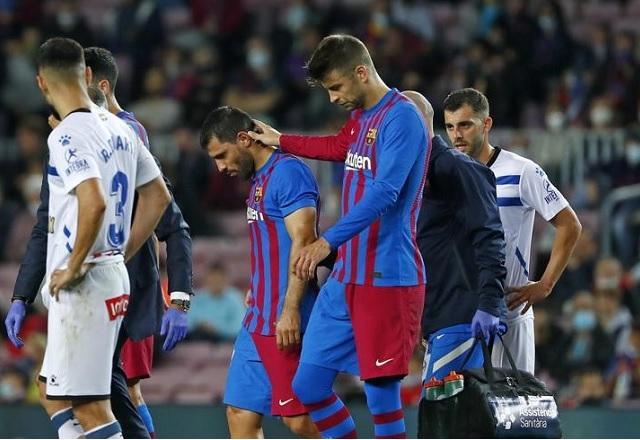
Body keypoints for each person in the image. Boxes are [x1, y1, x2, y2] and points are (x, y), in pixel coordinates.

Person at [4, 45, 193, 438]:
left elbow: (94, 201)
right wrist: (120, 251)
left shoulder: (67, 135)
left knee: (93, 406)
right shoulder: (123, 128)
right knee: (51, 390)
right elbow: (158, 195)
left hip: (85, 282)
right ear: (85, 77)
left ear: (41, 83)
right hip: (108, 272)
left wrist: (74, 265)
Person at [250, 34, 429, 439]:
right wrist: (281, 139)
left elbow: (385, 192)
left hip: (387, 276)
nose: (332, 98)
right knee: (307, 385)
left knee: (382, 395)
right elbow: (335, 146)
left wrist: (327, 241)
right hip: (347, 276)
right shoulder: (362, 118)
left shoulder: (401, 118)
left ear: (361, 73)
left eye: (336, 87)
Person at [85, 46, 194, 439]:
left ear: (99, 85)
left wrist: (179, 298)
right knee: (107, 390)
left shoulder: (128, 133)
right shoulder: (86, 134)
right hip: (99, 284)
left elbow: (172, 222)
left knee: (121, 388)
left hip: (127, 286)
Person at [200, 106, 319, 438]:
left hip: (286, 318)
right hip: (257, 318)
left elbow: (305, 241)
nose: (220, 166)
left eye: (222, 155)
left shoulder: (288, 173)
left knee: (298, 419)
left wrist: (291, 309)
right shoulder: (258, 180)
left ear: (243, 139)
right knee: (240, 412)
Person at [443, 87, 582, 373]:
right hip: (458, 314)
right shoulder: (445, 175)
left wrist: (545, 284)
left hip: (509, 312)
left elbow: (569, 224)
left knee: (515, 410)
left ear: (487, 124)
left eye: (465, 125)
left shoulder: (522, 171)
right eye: (450, 126)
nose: (456, 135)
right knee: (462, 412)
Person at [403, 91, 506, 381]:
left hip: (461, 316)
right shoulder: (415, 172)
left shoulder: (456, 167)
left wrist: (488, 304)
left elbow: (490, 238)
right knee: (455, 419)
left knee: (442, 416)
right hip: (437, 314)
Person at [188, 262, 245, 343]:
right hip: (199, 336)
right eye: (213, 279)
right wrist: (201, 325)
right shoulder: (198, 298)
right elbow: (189, 321)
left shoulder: (235, 299)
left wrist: (216, 329)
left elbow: (238, 327)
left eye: (219, 280)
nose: (216, 283)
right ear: (207, 279)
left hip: (224, 339)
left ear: (226, 280)